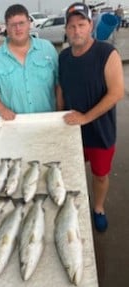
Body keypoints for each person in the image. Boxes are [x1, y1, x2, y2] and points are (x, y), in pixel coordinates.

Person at [56, 2, 124, 232]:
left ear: (90, 24)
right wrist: (58, 115)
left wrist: (86, 117)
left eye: (81, 25)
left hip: (100, 131)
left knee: (101, 175)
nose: (76, 31)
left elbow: (116, 92)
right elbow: (61, 88)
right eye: (72, 26)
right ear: (66, 29)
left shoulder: (107, 53)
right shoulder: (63, 57)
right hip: (72, 129)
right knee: (70, 170)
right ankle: (72, 206)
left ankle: (98, 208)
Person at [0, 4, 58, 120]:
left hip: (47, 120)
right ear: (7, 27)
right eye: (13, 25)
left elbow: (59, 82)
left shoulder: (48, 49)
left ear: (29, 23)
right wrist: (2, 109)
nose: (18, 28)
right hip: (14, 124)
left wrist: (60, 110)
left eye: (21, 23)